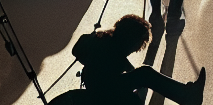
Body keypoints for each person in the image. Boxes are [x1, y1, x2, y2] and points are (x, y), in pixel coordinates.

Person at [71, 14, 205, 105]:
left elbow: (76, 50)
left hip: (98, 88)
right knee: (145, 74)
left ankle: (187, 96)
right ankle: (187, 96)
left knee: (141, 79)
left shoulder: (104, 43)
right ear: (129, 39)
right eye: (137, 45)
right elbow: (128, 69)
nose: (135, 50)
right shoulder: (111, 48)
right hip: (103, 91)